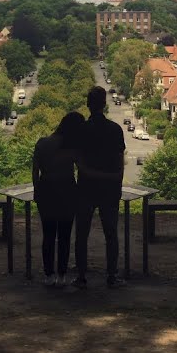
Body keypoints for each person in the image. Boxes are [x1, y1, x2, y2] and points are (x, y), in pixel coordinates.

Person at [74, 86, 127, 288]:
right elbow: (119, 161)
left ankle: (81, 275)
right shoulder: (115, 130)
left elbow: (78, 162)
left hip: (86, 188)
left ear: (88, 105)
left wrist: (90, 174)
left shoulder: (82, 130)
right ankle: (111, 275)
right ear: (104, 105)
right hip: (109, 188)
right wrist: (115, 181)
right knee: (111, 233)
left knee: (82, 233)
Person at [32, 111, 83, 286]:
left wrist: (37, 190)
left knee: (48, 234)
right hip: (67, 192)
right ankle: (62, 274)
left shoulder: (42, 143)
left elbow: (35, 171)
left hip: (47, 190)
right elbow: (81, 168)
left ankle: (49, 274)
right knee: (64, 236)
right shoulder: (71, 148)